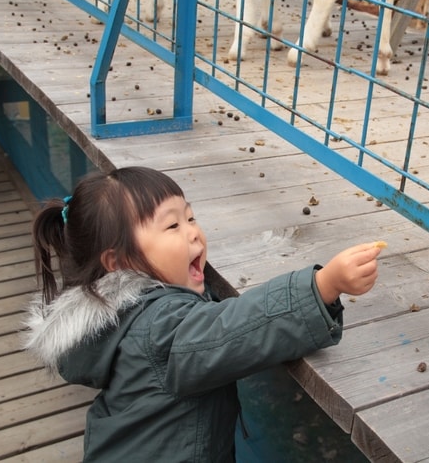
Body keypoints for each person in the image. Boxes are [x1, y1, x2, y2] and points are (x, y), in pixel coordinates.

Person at [22, 166, 382, 462]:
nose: (194, 233)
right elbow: (230, 329)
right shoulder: (159, 332)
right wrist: (322, 286)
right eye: (173, 226)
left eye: (191, 217)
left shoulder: (119, 313)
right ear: (118, 263)